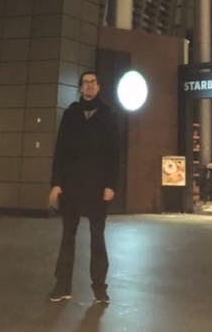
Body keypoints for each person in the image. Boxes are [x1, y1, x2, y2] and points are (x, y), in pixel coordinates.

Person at [49, 70, 119, 305]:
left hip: (98, 187)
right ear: (80, 88)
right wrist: (56, 183)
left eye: (93, 82)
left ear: (98, 87)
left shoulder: (108, 114)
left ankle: (100, 288)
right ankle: (62, 286)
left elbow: (115, 153)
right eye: (85, 82)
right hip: (71, 186)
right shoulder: (71, 114)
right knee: (67, 237)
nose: (89, 85)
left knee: (97, 238)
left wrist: (111, 185)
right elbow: (60, 151)